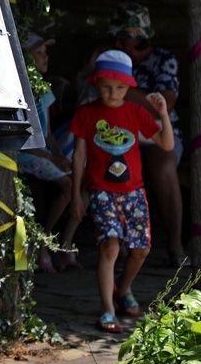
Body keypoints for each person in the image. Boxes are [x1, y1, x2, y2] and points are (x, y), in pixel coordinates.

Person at [69, 49, 174, 333]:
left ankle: (123, 287)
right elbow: (78, 156)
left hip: (134, 192)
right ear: (96, 84)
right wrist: (77, 193)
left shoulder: (136, 112)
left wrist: (163, 114)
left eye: (119, 87)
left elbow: (166, 145)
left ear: (129, 86)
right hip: (101, 191)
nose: (112, 93)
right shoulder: (86, 113)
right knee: (110, 246)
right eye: (106, 86)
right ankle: (107, 309)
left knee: (140, 249)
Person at [108, 2, 185, 266]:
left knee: (163, 168)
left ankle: (175, 245)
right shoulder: (113, 59)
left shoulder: (164, 59)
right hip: (117, 135)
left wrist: (123, 89)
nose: (121, 42)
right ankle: (118, 245)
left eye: (126, 38)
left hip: (157, 134)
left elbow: (166, 102)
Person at [17, 32, 78, 273]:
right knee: (67, 187)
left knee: (81, 181)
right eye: (39, 53)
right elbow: (25, 141)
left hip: (43, 153)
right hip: (28, 155)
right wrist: (53, 158)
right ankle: (43, 242)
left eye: (45, 53)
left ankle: (66, 244)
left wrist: (61, 155)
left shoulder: (44, 89)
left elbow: (48, 133)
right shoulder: (22, 89)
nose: (45, 58)